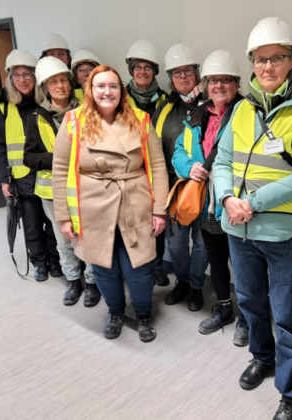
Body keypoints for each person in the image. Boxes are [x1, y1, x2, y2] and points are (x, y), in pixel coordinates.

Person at [213, 17, 292, 420]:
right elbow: (222, 160)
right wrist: (228, 197)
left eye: (277, 57)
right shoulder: (243, 108)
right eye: (260, 59)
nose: (267, 67)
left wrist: (254, 202)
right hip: (238, 227)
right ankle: (262, 357)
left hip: (283, 232)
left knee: (288, 315)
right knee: (249, 301)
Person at [52, 65, 169, 342]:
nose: (107, 92)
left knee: (138, 268)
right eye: (100, 86)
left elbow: (157, 164)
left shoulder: (140, 119)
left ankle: (143, 314)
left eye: (113, 86)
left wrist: (159, 209)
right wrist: (64, 216)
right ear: (90, 90)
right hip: (92, 206)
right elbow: (59, 169)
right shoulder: (73, 121)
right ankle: (115, 312)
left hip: (135, 202)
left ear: (121, 90)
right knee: (103, 267)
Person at [172, 50, 249, 345]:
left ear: (237, 82)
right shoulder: (197, 114)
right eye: (213, 80)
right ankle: (224, 309)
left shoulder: (249, 111)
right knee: (217, 261)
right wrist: (189, 167)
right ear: (205, 84)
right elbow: (180, 150)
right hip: (208, 204)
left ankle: (247, 317)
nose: (219, 85)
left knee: (244, 266)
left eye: (226, 79)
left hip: (237, 203)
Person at [23, 56, 99, 307]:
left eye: (63, 80)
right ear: (45, 88)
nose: (60, 86)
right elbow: (29, 157)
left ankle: (91, 282)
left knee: (86, 238)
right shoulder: (36, 117)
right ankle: (73, 281)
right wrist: (58, 157)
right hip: (52, 192)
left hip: (84, 187)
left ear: (70, 83)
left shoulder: (87, 110)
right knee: (64, 239)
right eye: (53, 82)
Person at [0, 50, 61, 282]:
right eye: (16, 75)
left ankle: (56, 261)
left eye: (27, 74)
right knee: (32, 225)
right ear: (10, 79)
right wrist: (4, 179)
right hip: (21, 177)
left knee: (53, 223)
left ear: (36, 76)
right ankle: (40, 263)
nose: (22, 79)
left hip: (48, 172)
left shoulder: (48, 103)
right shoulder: (3, 107)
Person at [153, 44, 208, 310]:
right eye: (176, 73)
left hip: (207, 190)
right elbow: (153, 151)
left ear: (197, 73)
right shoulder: (163, 108)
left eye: (187, 70)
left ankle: (197, 286)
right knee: (175, 243)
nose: (183, 76)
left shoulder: (213, 104)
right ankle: (183, 281)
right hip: (174, 189)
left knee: (202, 244)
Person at [125, 39, 169, 287]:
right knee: (132, 220)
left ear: (154, 71)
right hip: (131, 170)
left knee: (157, 219)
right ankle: (135, 266)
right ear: (131, 70)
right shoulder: (121, 98)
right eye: (138, 66)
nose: (143, 71)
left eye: (148, 67)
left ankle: (157, 265)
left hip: (156, 168)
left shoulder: (164, 99)